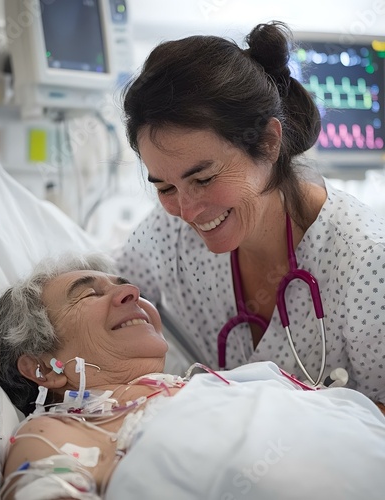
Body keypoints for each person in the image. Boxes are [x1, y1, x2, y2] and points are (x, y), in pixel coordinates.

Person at [113, 20, 385, 404]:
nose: (187, 211)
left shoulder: (366, 261)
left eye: (204, 179)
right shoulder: (166, 231)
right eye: (165, 187)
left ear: (269, 142)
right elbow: (112, 299)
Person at [0, 253, 385, 500]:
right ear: (40, 368)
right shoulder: (62, 433)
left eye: (124, 286)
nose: (132, 293)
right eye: (88, 294)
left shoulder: (219, 383)